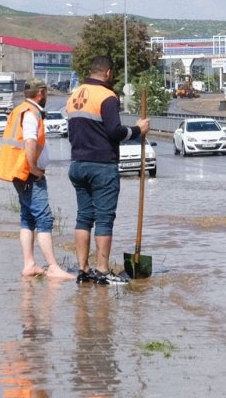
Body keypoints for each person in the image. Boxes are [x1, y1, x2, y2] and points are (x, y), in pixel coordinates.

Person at [66, 56, 149, 286]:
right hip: (102, 165)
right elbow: (114, 132)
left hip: (77, 164)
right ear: (109, 73)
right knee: (104, 218)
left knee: (83, 217)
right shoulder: (107, 96)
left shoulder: (75, 95)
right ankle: (102, 271)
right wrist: (137, 130)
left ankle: (83, 270)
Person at [0, 78, 75, 280]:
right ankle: (53, 267)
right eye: (46, 92)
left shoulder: (20, 109)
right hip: (27, 173)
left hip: (19, 171)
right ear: (40, 93)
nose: (46, 96)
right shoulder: (31, 114)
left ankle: (29, 264)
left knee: (28, 217)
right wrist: (34, 169)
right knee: (44, 217)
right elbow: (29, 143)